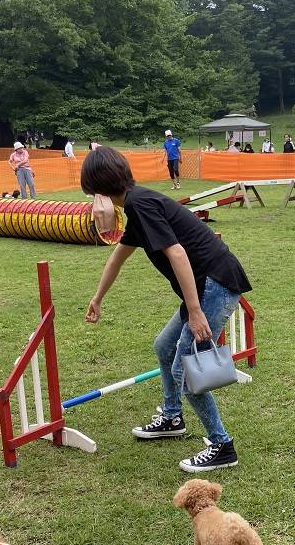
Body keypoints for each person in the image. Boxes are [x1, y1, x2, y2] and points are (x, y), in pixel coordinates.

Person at [81, 147, 252, 472]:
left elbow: (176, 253)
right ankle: (172, 417)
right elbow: (119, 255)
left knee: (185, 369)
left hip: (214, 286)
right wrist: (98, 297)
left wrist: (195, 310)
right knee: (164, 347)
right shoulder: (137, 205)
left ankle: (222, 445)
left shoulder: (139, 203)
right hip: (205, 288)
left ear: (96, 186)